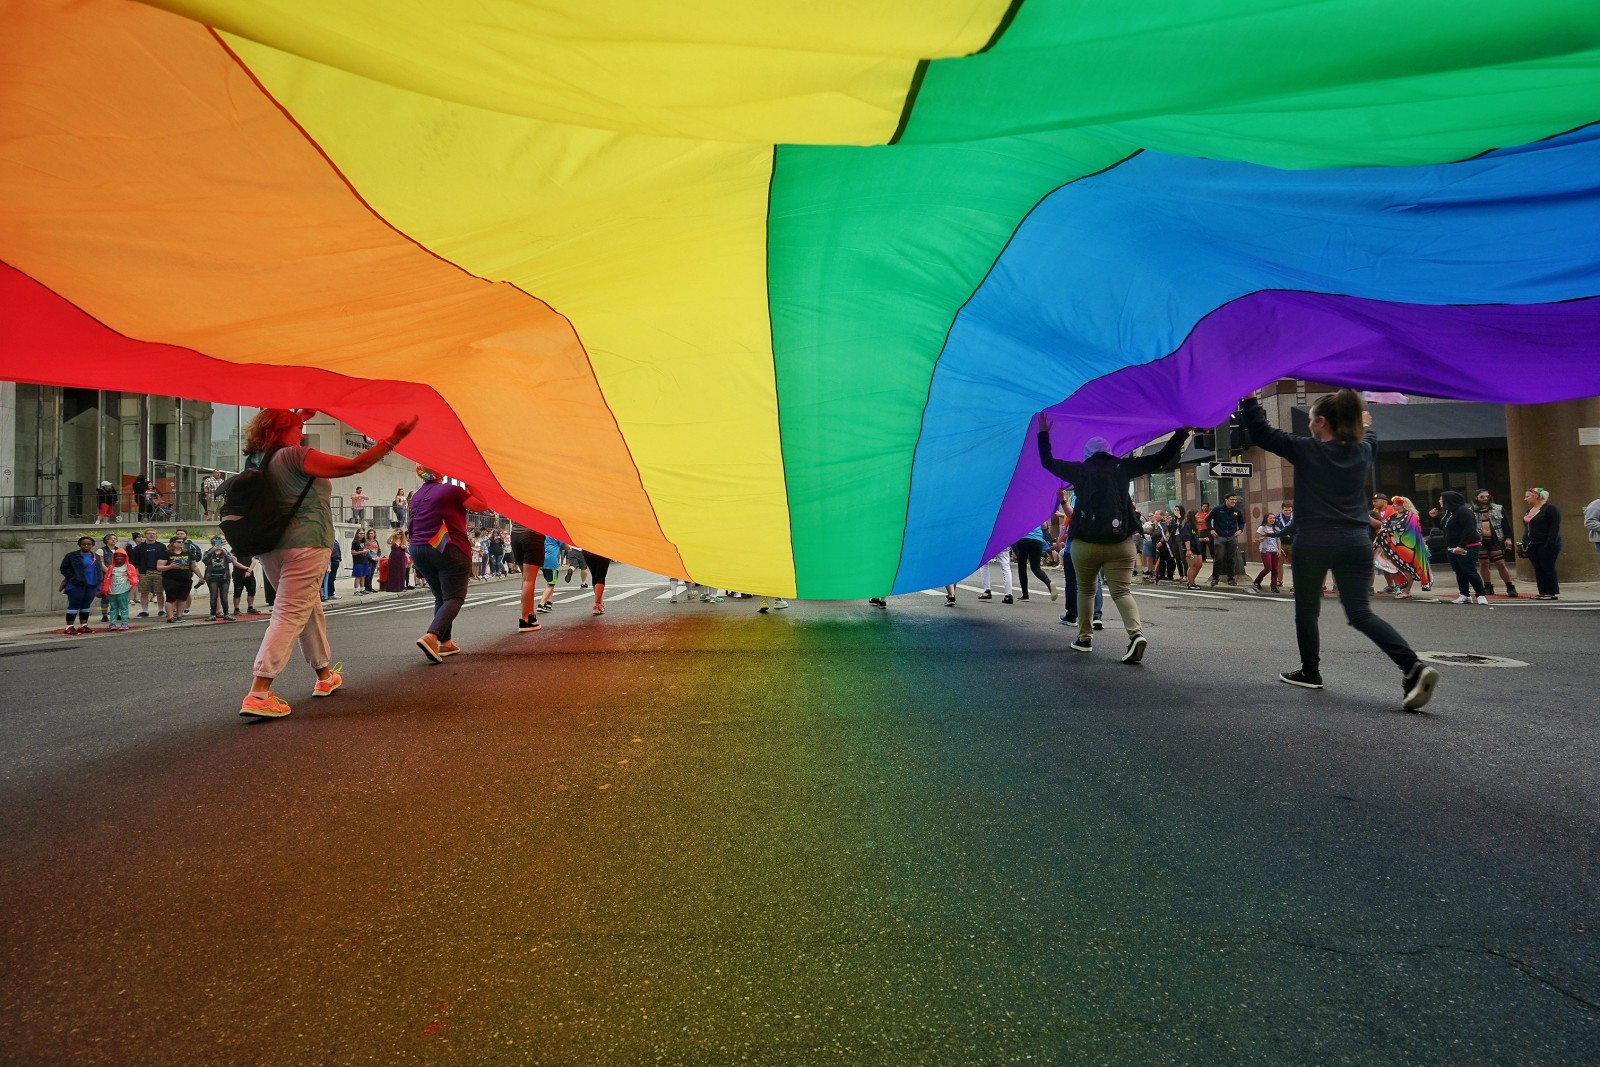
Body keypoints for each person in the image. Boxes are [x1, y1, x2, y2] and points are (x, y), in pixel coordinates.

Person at [1238, 389, 1439, 711]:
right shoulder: (1363, 450)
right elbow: (1369, 431)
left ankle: (1310, 670)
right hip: (1355, 541)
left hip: (1314, 540)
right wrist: (1364, 413)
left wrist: (1249, 399)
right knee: (1360, 612)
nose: (1308, 426)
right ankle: (1412, 666)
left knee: (1307, 611)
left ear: (1320, 423)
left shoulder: (1307, 450)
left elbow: (1262, 433)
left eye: (1310, 420)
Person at [238, 407, 416, 718]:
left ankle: (324, 676)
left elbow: (281, 432)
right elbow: (354, 465)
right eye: (297, 428)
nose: (302, 434)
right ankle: (259, 691)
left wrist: (298, 416)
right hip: (307, 543)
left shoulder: (258, 459)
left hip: (271, 546)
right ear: (284, 431)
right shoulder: (294, 456)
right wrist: (392, 440)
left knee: (309, 609)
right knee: (290, 613)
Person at [1037, 420, 1189, 663]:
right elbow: (1160, 458)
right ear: (1109, 452)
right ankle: (1136, 634)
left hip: (1085, 543)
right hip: (1121, 542)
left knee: (1086, 590)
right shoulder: (1123, 467)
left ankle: (1084, 638)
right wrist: (1183, 432)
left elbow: (1047, 461)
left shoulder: (1079, 470)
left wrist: (1044, 432)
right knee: (1121, 591)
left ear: (1087, 454)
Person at [407, 465, 486, 662]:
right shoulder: (450, 490)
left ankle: (446, 643)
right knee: (454, 597)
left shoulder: (417, 495)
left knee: (441, 596)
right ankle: (432, 636)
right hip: (446, 547)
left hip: (418, 549)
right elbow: (480, 505)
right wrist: (470, 479)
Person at [1374, 496, 1431, 599]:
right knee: (1400, 569)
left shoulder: (1411, 516)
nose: (1393, 505)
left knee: (1406, 568)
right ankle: (1403, 588)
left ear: (1403, 505)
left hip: (1408, 548)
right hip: (1395, 548)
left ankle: (1407, 590)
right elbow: (1384, 525)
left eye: (1396, 503)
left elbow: (1402, 527)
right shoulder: (1394, 516)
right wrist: (1385, 530)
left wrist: (1387, 530)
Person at [1437, 491, 1489, 604]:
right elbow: (1445, 528)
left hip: (1468, 546)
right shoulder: (1448, 512)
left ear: (1449, 500)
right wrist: (1434, 518)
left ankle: (1481, 595)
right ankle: (1464, 594)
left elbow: (1468, 529)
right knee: (1459, 571)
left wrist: (1461, 546)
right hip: (1452, 547)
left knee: (1469, 570)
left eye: (1441, 499)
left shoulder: (1464, 511)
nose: (1439, 501)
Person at [1471, 490, 1517, 597]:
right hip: (1480, 540)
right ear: (1476, 498)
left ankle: (1510, 586)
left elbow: (1506, 525)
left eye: (1487, 496)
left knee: (1500, 563)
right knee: (1484, 564)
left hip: (1496, 539)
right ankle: (1487, 586)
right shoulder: (1471, 511)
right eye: (1482, 497)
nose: (1485, 499)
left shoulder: (1498, 509)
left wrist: (1508, 538)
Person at [1521, 487, 1562, 600]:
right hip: (1532, 544)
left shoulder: (1550, 509)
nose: (1525, 499)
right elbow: (1527, 528)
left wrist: (1550, 543)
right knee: (1538, 567)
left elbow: (1554, 527)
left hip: (1546, 543)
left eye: (1527, 496)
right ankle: (1542, 591)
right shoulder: (1529, 510)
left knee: (1547, 566)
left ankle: (1551, 592)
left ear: (1536, 496)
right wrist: (1524, 542)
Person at [59, 536, 103, 634]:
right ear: (79, 545)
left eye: (89, 544)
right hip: (76, 585)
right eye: (84, 544)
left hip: (92, 584)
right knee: (74, 604)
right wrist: (73, 579)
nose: (86, 546)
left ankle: (84, 626)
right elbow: (64, 568)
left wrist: (99, 582)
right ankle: (69, 627)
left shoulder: (96, 556)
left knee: (86, 605)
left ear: (92, 545)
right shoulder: (71, 556)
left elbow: (99, 569)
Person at [511, 525, 547, 632]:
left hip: (515, 534)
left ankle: (530, 614)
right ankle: (525, 619)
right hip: (533, 534)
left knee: (525, 578)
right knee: (529, 579)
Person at [1205, 493, 1246, 586]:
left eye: (1235, 500)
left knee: (1231, 559)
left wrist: (1240, 530)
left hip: (1232, 537)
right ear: (1226, 500)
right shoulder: (1217, 509)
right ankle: (1215, 578)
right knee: (1218, 558)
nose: (1234, 501)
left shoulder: (1237, 511)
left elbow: (1242, 522)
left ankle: (1231, 579)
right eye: (1232, 499)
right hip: (1219, 537)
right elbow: (1207, 520)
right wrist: (1211, 530)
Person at [1012, 522, 1057, 602]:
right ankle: (1049, 583)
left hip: (1024, 539)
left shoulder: (1020, 512)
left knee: (1022, 567)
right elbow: (1044, 525)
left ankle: (1025, 595)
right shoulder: (1037, 511)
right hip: (1037, 540)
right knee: (1036, 568)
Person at [156, 534, 196, 623]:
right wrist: (170, 566)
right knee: (171, 598)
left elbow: (194, 566)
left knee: (182, 598)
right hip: (170, 579)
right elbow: (159, 567)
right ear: (172, 543)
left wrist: (200, 576)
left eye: (182, 542)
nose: (181, 543)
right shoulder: (166, 553)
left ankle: (179, 616)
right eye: (178, 542)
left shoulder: (188, 553)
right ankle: (170, 616)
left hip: (186, 579)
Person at [128, 528, 167, 618]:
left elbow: (165, 559)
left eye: (153, 533)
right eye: (149, 533)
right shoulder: (139, 547)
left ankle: (161, 610)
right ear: (145, 535)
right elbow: (134, 561)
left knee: (159, 592)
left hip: (158, 572)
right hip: (144, 573)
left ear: (156, 535)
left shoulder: (161, 546)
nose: (151, 535)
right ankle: (144, 611)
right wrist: (137, 572)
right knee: (144, 592)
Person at [98, 547, 138, 631]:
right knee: (113, 608)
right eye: (117, 556)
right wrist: (105, 589)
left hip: (123, 590)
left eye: (121, 556)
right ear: (114, 557)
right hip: (112, 591)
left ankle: (124, 622)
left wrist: (129, 587)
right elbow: (106, 579)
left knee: (124, 607)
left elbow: (134, 578)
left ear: (125, 557)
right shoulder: (111, 567)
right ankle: (112, 623)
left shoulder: (129, 567)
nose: (119, 558)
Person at [201, 536, 236, 620]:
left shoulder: (225, 551)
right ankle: (212, 614)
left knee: (224, 596)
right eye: (214, 543)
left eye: (218, 542)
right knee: (213, 596)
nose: (216, 544)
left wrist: (223, 551)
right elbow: (204, 561)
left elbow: (230, 560)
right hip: (212, 577)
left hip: (224, 577)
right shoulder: (208, 552)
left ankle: (226, 613)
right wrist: (211, 551)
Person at [1253, 513, 1283, 594]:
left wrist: (1279, 549)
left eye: (1273, 518)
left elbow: (1278, 540)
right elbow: (1256, 538)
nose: (1272, 520)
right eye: (1270, 518)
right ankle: (1257, 581)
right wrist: (1260, 539)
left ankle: (1273, 587)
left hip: (1275, 550)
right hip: (1265, 550)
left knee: (1275, 569)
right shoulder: (1262, 528)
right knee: (1268, 568)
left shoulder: (1276, 528)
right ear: (1266, 519)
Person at [582, 548, 614, 615]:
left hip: (587, 550)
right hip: (603, 549)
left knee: (595, 575)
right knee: (600, 576)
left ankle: (599, 601)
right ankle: (597, 605)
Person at [349, 528, 372, 596]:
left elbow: (366, 549)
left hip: (365, 560)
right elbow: (353, 552)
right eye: (360, 533)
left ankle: (362, 589)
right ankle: (356, 590)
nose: (362, 535)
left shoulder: (364, 542)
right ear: (357, 534)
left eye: (363, 533)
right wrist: (362, 552)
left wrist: (367, 551)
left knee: (363, 575)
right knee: (358, 576)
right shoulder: (355, 542)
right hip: (358, 561)